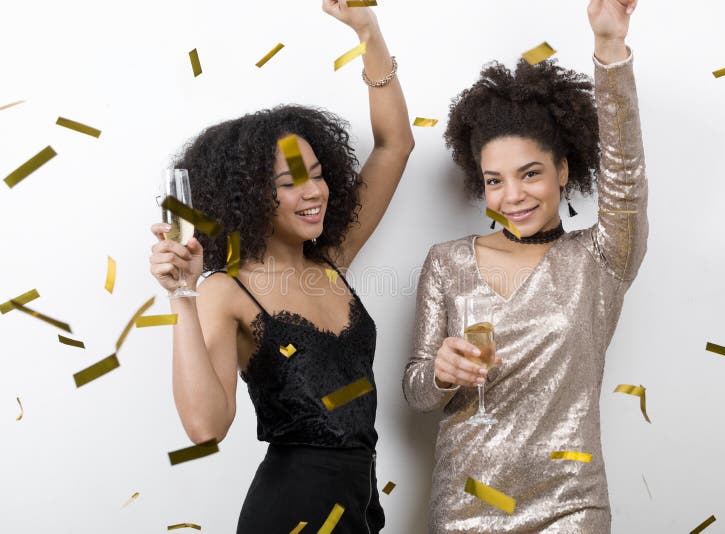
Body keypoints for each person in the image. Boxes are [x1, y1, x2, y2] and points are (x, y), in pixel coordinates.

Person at [148, 2, 414, 532]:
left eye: (316, 174)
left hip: (360, 509)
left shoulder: (331, 261)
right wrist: (182, 294)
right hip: (290, 513)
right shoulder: (226, 290)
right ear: (248, 197)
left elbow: (395, 144)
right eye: (290, 182)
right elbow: (205, 427)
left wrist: (368, 30)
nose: (314, 191)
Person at [402, 0, 646, 531]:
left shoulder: (601, 258)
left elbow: (624, 174)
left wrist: (609, 51)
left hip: (569, 504)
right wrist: (440, 373)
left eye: (530, 173)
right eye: (494, 180)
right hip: (465, 502)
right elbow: (417, 392)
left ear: (563, 170)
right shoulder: (446, 262)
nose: (512, 195)